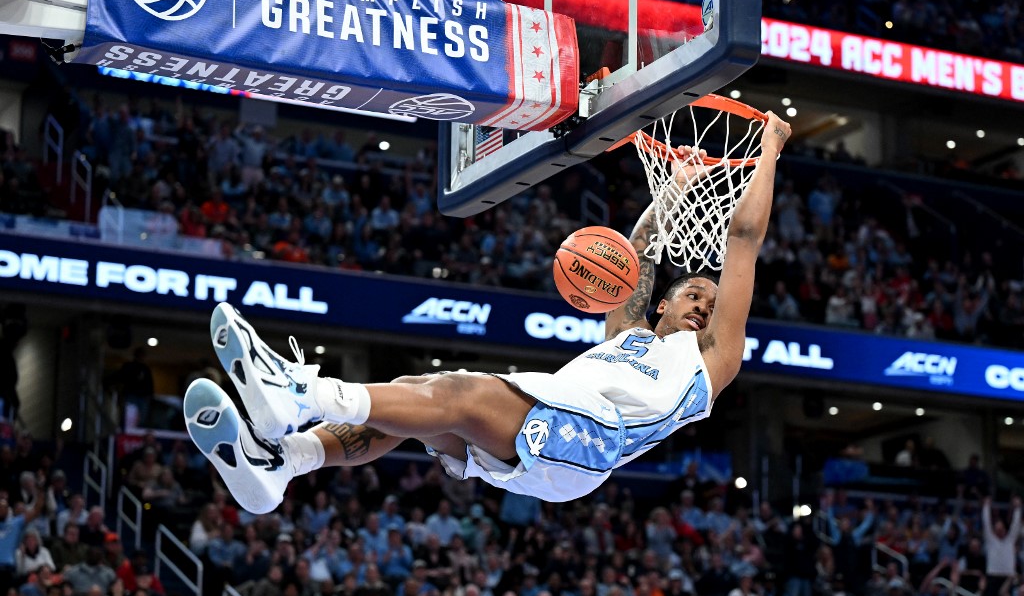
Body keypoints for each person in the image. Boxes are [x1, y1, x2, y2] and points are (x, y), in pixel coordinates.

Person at [182, 113, 793, 511]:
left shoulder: (713, 360)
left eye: (712, 305)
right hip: (555, 432)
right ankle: (282, 464)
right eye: (695, 295)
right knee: (411, 399)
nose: (707, 305)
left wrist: (767, 152)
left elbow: (742, 240)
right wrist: (673, 191)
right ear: (661, 301)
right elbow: (632, 255)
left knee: (459, 392)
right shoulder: (627, 330)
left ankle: (303, 393)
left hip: (590, 435)